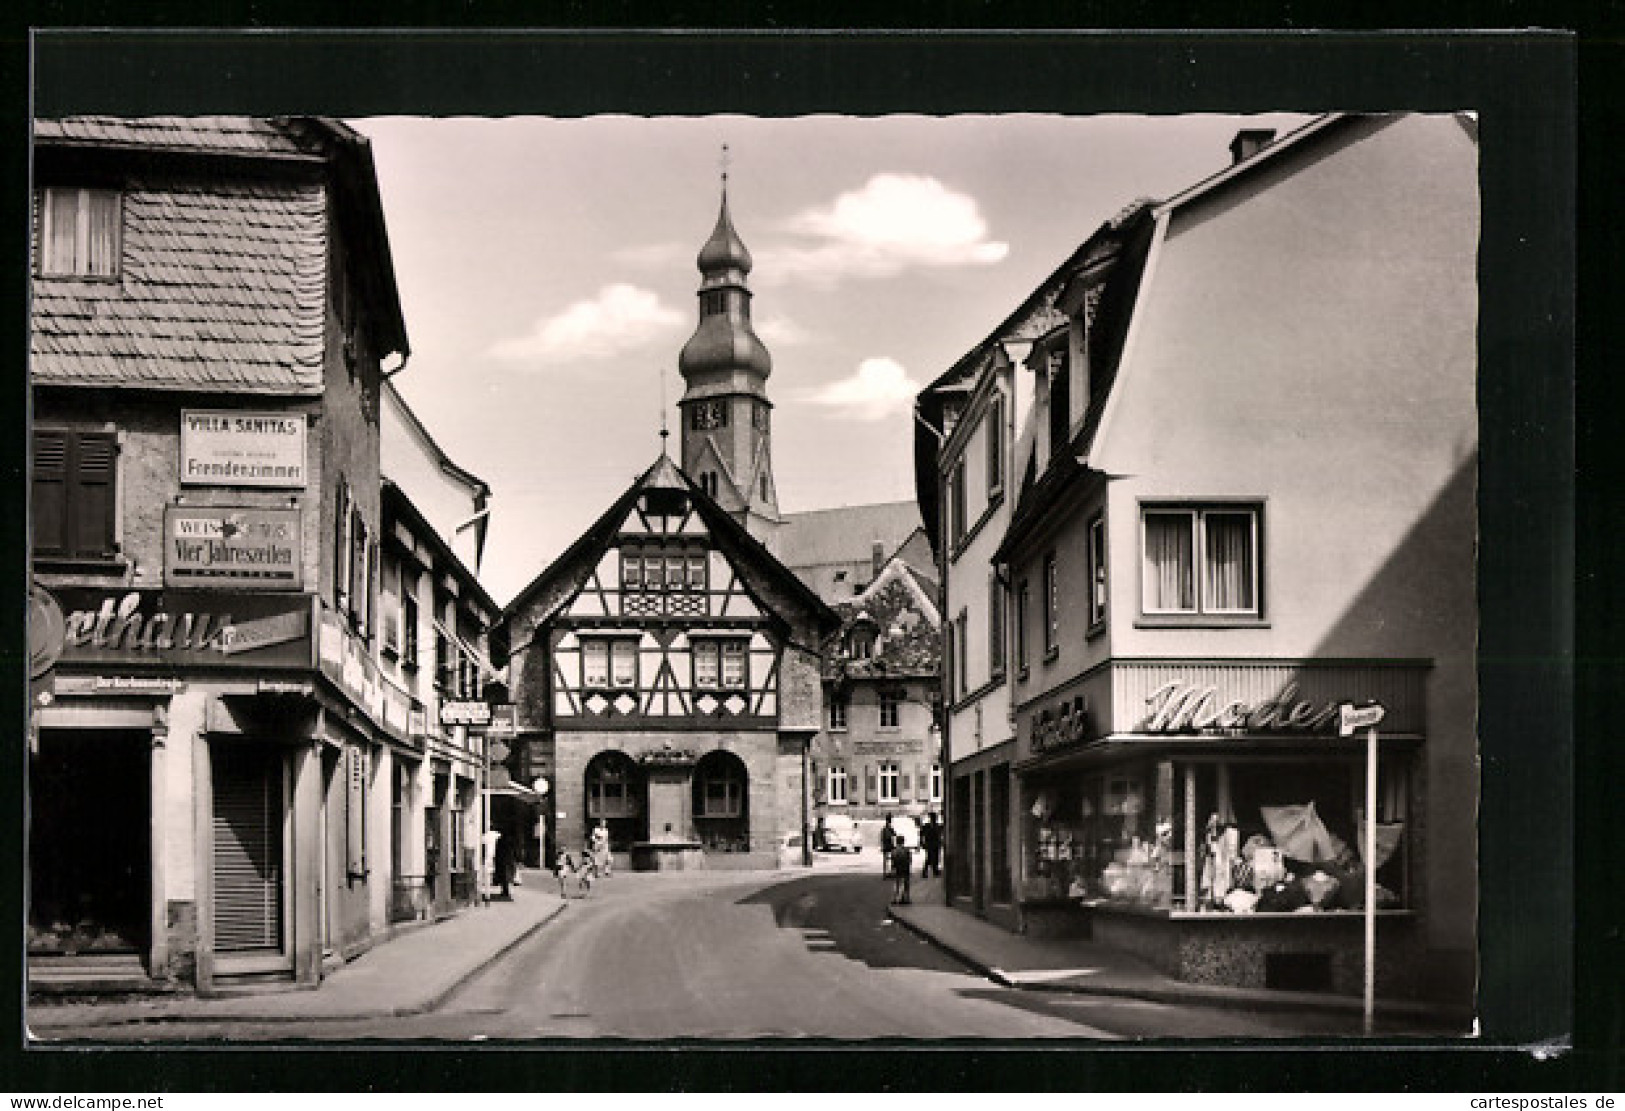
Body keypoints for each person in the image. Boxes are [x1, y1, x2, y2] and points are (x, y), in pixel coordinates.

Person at [890, 839, 913, 905]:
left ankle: (895, 899)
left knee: (897, 884)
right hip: (905, 868)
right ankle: (905, 898)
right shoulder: (906, 850)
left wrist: (893, 869)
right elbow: (909, 860)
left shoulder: (894, 851)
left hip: (898, 869)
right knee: (906, 884)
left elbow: (893, 860)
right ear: (903, 842)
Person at [493, 830, 515, 900]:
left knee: (504, 877)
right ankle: (506, 891)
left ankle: (505, 891)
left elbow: (497, 851)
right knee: (506, 877)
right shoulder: (510, 841)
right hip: (507, 860)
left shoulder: (500, 841)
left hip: (503, 861)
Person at [921, 812, 943, 879]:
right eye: (933, 817)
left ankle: (935, 871)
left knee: (935, 858)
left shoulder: (937, 826)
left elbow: (939, 834)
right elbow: (922, 834)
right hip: (930, 844)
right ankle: (925, 872)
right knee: (929, 858)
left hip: (935, 844)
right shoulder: (927, 826)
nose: (934, 819)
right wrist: (922, 843)